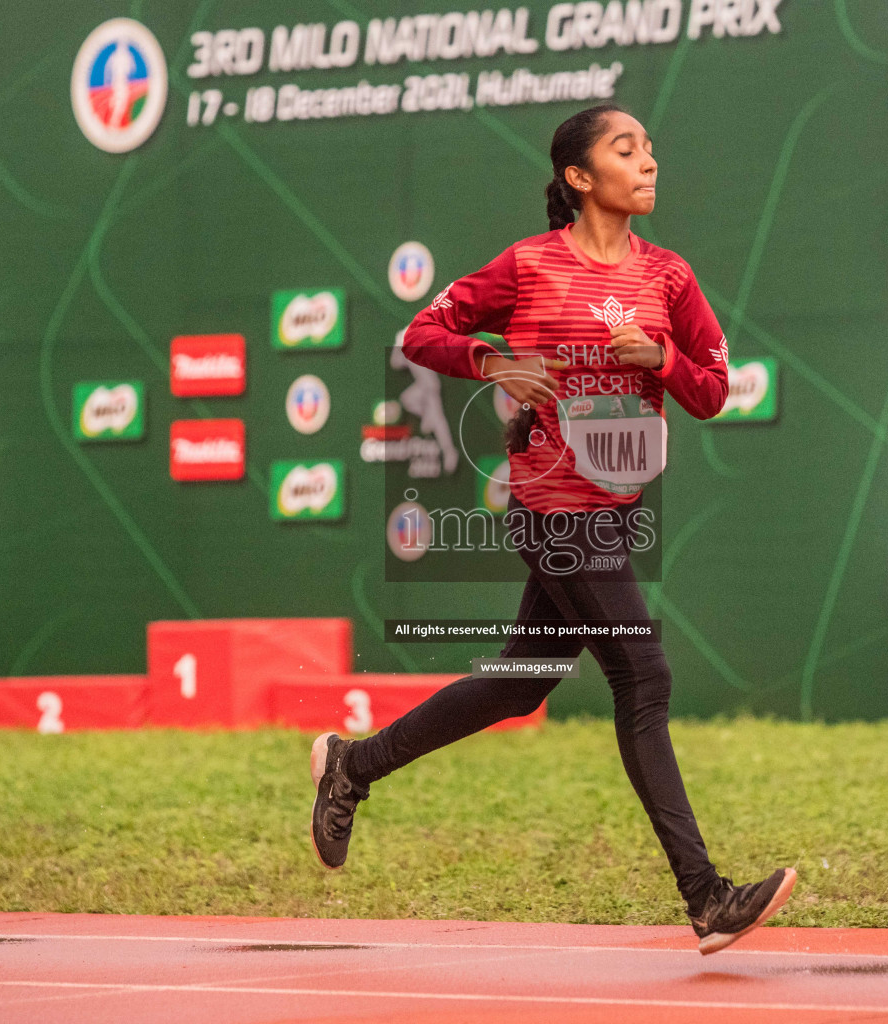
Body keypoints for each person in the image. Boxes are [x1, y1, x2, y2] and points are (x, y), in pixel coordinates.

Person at [308, 103, 796, 955]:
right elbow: (424, 332)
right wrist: (494, 360)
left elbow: (714, 389)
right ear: (579, 177)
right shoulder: (528, 268)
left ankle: (353, 765)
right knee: (643, 677)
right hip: (552, 511)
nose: (649, 161)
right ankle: (706, 898)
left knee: (519, 682)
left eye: (649, 146)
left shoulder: (670, 279)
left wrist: (662, 362)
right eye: (626, 148)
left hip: (617, 511)